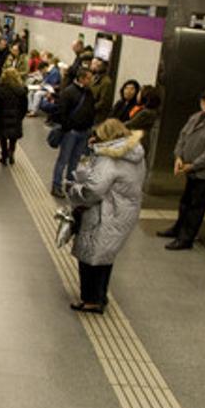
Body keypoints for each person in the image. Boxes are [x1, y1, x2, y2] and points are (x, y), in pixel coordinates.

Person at [66, 119, 147, 313]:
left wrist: (73, 189)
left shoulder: (109, 158)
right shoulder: (135, 153)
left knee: (90, 256)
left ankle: (92, 300)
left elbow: (93, 190)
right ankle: (100, 295)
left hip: (104, 212)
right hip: (124, 211)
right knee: (106, 255)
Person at [158, 89, 205, 250]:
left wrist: (194, 165)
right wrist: (178, 157)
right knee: (185, 202)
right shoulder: (195, 117)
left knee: (196, 207)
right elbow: (182, 137)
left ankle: (186, 238)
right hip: (188, 168)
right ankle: (178, 228)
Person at [49, 67, 95, 197]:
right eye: (88, 78)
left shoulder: (88, 93)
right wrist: (68, 126)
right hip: (71, 132)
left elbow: (91, 110)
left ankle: (70, 184)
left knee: (75, 160)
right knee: (63, 159)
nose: (90, 80)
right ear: (81, 78)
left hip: (83, 131)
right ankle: (56, 185)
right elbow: (61, 112)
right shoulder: (69, 92)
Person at [0, 66, 27, 165]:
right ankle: (11, 152)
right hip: (15, 116)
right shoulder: (21, 90)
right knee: (13, 137)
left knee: (2, 137)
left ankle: (4, 155)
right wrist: (20, 116)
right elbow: (24, 106)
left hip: (1, 117)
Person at [89, 58, 114, 124]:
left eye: (99, 65)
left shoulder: (106, 82)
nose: (96, 67)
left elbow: (103, 101)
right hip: (90, 112)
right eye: (95, 65)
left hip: (98, 114)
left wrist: (90, 108)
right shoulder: (93, 77)